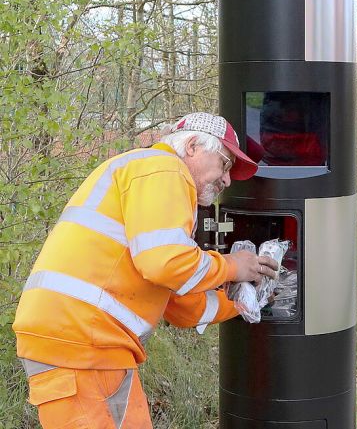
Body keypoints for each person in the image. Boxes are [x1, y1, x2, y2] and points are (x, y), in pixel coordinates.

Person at [12, 112, 279, 428]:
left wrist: (239, 303)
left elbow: (181, 306)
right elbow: (166, 263)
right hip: (80, 343)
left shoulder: (150, 182)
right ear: (192, 145)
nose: (227, 180)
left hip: (93, 345)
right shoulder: (163, 169)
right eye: (224, 164)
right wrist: (233, 266)